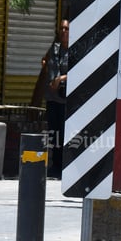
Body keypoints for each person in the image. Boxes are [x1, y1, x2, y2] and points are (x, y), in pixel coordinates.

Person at [43, 19, 69, 178]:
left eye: (66, 29)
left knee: (66, 134)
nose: (64, 31)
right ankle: (56, 166)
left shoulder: (75, 49)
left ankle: (65, 166)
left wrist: (61, 79)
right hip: (53, 98)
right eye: (61, 28)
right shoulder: (55, 48)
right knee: (54, 134)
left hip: (67, 100)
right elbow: (49, 63)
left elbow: (81, 70)